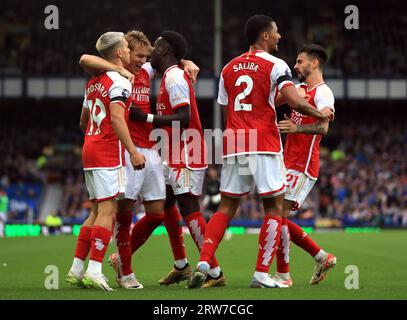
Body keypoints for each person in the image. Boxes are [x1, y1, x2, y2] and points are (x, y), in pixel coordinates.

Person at [187, 15, 333, 289]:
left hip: (234, 141)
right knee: (274, 208)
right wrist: (319, 115)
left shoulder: (228, 68)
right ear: (264, 36)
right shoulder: (276, 65)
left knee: (227, 206)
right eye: (276, 32)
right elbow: (295, 102)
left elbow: (224, 108)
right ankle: (262, 273)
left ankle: (205, 262)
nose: (280, 37)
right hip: (263, 142)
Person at [78, 30, 202, 288]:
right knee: (122, 215)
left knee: (156, 213)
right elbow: (86, 60)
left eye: (146, 56)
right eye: (138, 56)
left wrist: (185, 61)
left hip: (151, 152)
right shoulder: (114, 76)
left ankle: (93, 265)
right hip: (128, 150)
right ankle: (125, 273)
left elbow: (166, 60)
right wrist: (119, 69)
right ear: (123, 54)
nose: (142, 60)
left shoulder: (145, 71)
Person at [130, 30, 226, 288]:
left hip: (187, 150)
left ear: (163, 50)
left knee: (188, 206)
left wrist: (146, 118)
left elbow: (183, 117)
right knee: (165, 204)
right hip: (173, 153)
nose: (152, 50)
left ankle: (215, 272)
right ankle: (181, 265)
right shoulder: (169, 75)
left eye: (156, 45)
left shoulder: (173, 78)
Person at [66, 31, 145, 292]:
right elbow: (117, 118)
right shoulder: (119, 81)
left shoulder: (93, 82)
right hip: (108, 151)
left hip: (89, 148)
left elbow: (81, 121)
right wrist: (133, 151)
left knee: (96, 211)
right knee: (108, 212)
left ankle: (77, 268)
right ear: (120, 53)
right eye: (126, 46)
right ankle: (95, 270)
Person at [272, 44, 337, 287]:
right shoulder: (298, 89)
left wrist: (296, 127)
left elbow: (323, 127)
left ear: (314, 63)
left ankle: (284, 275)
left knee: (276, 216)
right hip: (286, 161)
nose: (296, 66)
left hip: (303, 164)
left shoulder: (323, 93)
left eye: (300, 62)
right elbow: (269, 98)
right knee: (276, 216)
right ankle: (321, 257)